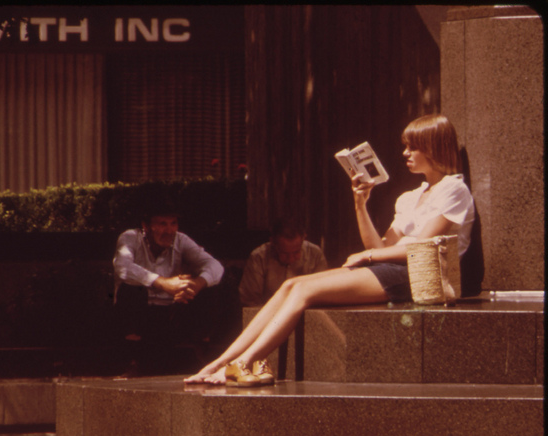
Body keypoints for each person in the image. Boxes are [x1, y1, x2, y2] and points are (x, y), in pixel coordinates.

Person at [186, 113, 475, 387]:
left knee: (304, 291)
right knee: (291, 284)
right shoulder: (410, 197)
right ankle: (222, 361)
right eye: (406, 147)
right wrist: (360, 203)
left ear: (433, 147)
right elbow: (380, 247)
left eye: (413, 147)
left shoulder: (454, 189)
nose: (405, 153)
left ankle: (246, 361)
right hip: (393, 268)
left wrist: (368, 257)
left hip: (419, 276)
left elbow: (420, 249)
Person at [112, 206, 225, 376]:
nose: (169, 230)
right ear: (146, 226)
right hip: (141, 312)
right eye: (162, 224)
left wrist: (196, 284)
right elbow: (122, 267)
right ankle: (131, 359)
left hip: (171, 312)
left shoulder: (181, 240)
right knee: (130, 288)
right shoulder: (130, 238)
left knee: (211, 285)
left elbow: (214, 265)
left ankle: (202, 354)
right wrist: (163, 283)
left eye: (173, 223)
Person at [239, 219, 328, 306]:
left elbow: (322, 294)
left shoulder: (315, 254)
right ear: (273, 242)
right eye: (284, 253)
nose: (291, 259)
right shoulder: (259, 257)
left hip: (307, 313)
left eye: (296, 252)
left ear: (303, 238)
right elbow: (249, 300)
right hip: (268, 314)